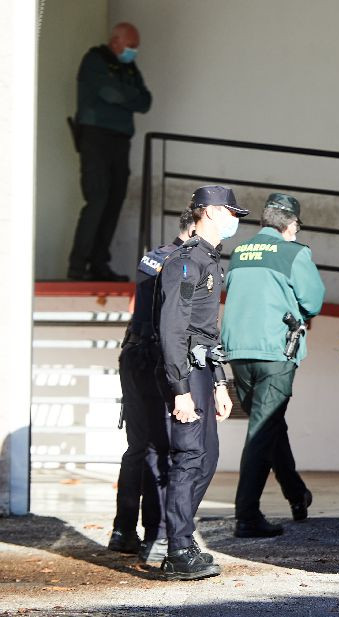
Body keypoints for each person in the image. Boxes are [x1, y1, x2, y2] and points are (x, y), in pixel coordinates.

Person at [154, 185, 247, 580]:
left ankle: (182, 538)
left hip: (203, 370)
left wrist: (220, 382)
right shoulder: (185, 261)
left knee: (206, 458)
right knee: (190, 457)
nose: (235, 219)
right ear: (208, 211)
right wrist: (180, 391)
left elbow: (208, 330)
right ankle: (176, 549)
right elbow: (172, 329)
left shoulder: (209, 258)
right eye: (230, 212)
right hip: (185, 373)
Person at [222, 193, 325, 538]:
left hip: (239, 352)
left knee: (269, 426)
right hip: (275, 352)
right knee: (261, 431)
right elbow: (313, 301)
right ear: (291, 223)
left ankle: (297, 495)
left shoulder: (240, 252)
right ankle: (247, 516)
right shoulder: (294, 252)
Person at [110, 208, 194, 564]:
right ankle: (155, 537)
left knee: (137, 446)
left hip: (132, 353)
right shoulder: (180, 261)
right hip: (153, 357)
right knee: (160, 448)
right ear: (194, 229)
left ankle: (123, 531)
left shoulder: (154, 255)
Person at [68, 22, 152, 282]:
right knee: (98, 199)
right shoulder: (95, 60)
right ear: (116, 41)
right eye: (131, 45)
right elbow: (109, 93)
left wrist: (123, 94)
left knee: (114, 201)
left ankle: (99, 265)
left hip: (120, 141)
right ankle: (77, 267)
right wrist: (128, 96)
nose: (134, 51)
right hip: (95, 139)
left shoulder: (129, 67)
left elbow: (145, 101)